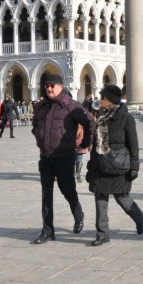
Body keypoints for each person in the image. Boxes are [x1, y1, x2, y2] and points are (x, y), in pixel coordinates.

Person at [30, 74, 94, 244]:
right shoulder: (41, 106)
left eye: (52, 85)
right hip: (45, 157)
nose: (49, 89)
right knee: (46, 193)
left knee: (67, 190)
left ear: (61, 86)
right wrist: (38, 136)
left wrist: (86, 142)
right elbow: (35, 124)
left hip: (65, 156)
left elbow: (89, 122)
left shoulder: (71, 105)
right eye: (47, 86)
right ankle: (47, 230)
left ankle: (78, 213)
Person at [86, 85, 143, 246]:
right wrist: (90, 166)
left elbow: (133, 144)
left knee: (122, 197)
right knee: (100, 198)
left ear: (111, 100)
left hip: (118, 164)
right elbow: (95, 143)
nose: (100, 100)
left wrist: (135, 166)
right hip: (100, 164)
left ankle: (139, 217)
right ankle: (102, 233)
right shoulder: (100, 117)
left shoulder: (126, 118)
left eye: (103, 98)